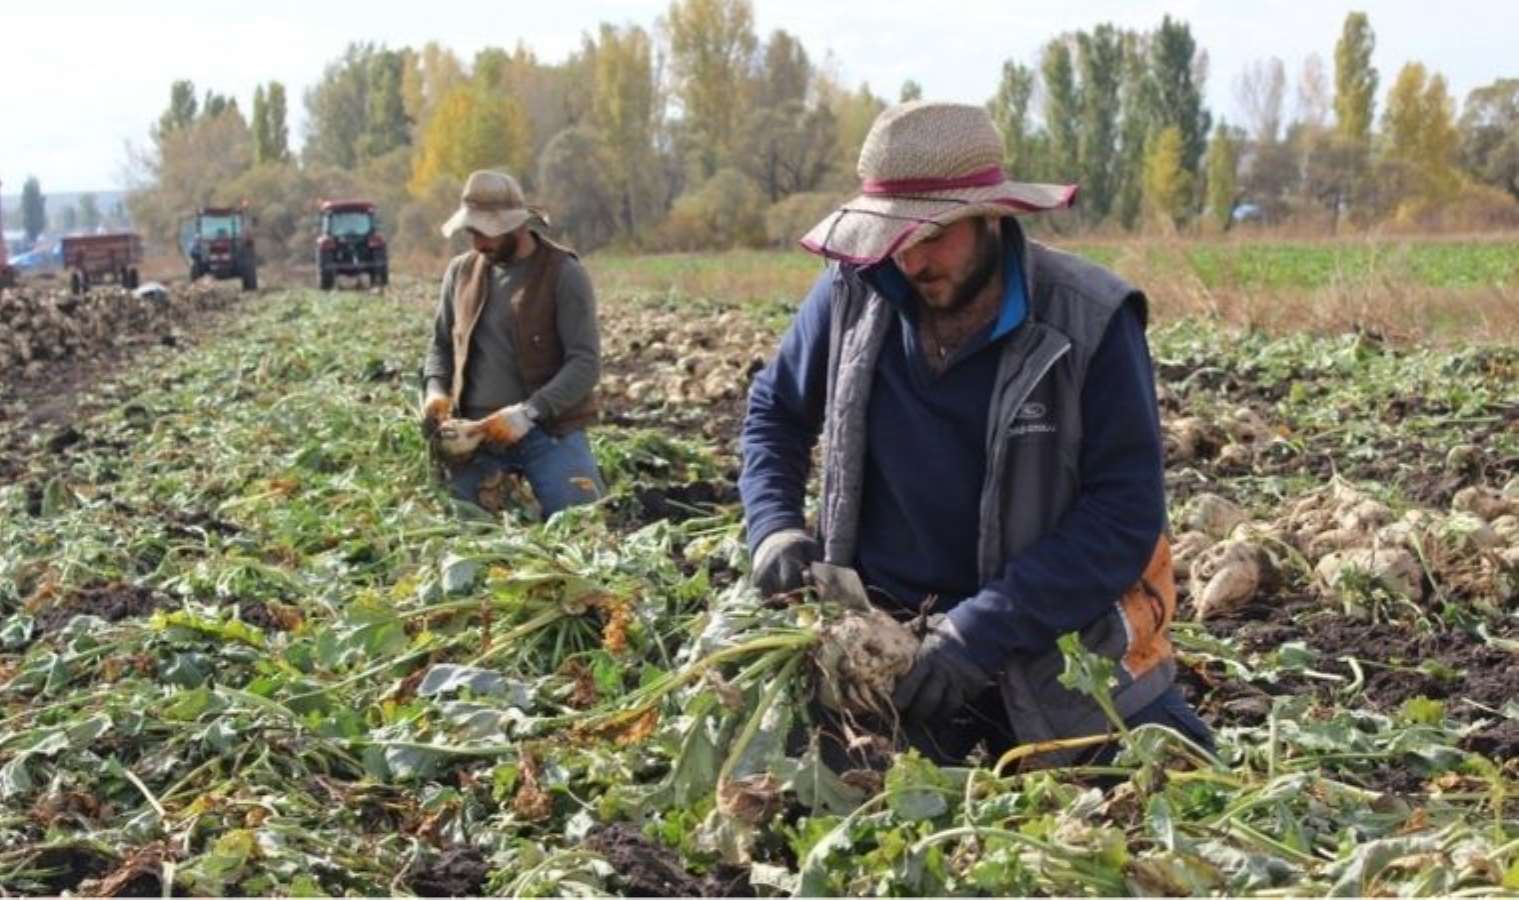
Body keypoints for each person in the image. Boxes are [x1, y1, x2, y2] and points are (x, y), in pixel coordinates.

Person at [738, 101, 1212, 767]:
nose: (909, 260)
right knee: (802, 797)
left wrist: (980, 631)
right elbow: (774, 413)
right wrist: (774, 527)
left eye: (931, 236)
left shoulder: (1091, 320)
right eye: (892, 237)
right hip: (888, 643)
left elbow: (1125, 514)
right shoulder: (851, 292)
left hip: (1055, 639)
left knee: (1174, 790)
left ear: (991, 215)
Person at [420, 170, 605, 517]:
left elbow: (585, 364)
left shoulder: (564, 274)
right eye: (471, 232)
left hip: (547, 433)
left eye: (485, 233)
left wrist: (528, 413)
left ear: (516, 225)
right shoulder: (460, 273)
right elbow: (441, 346)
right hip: (473, 439)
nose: (478, 243)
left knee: (581, 523)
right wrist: (435, 391)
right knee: (464, 531)